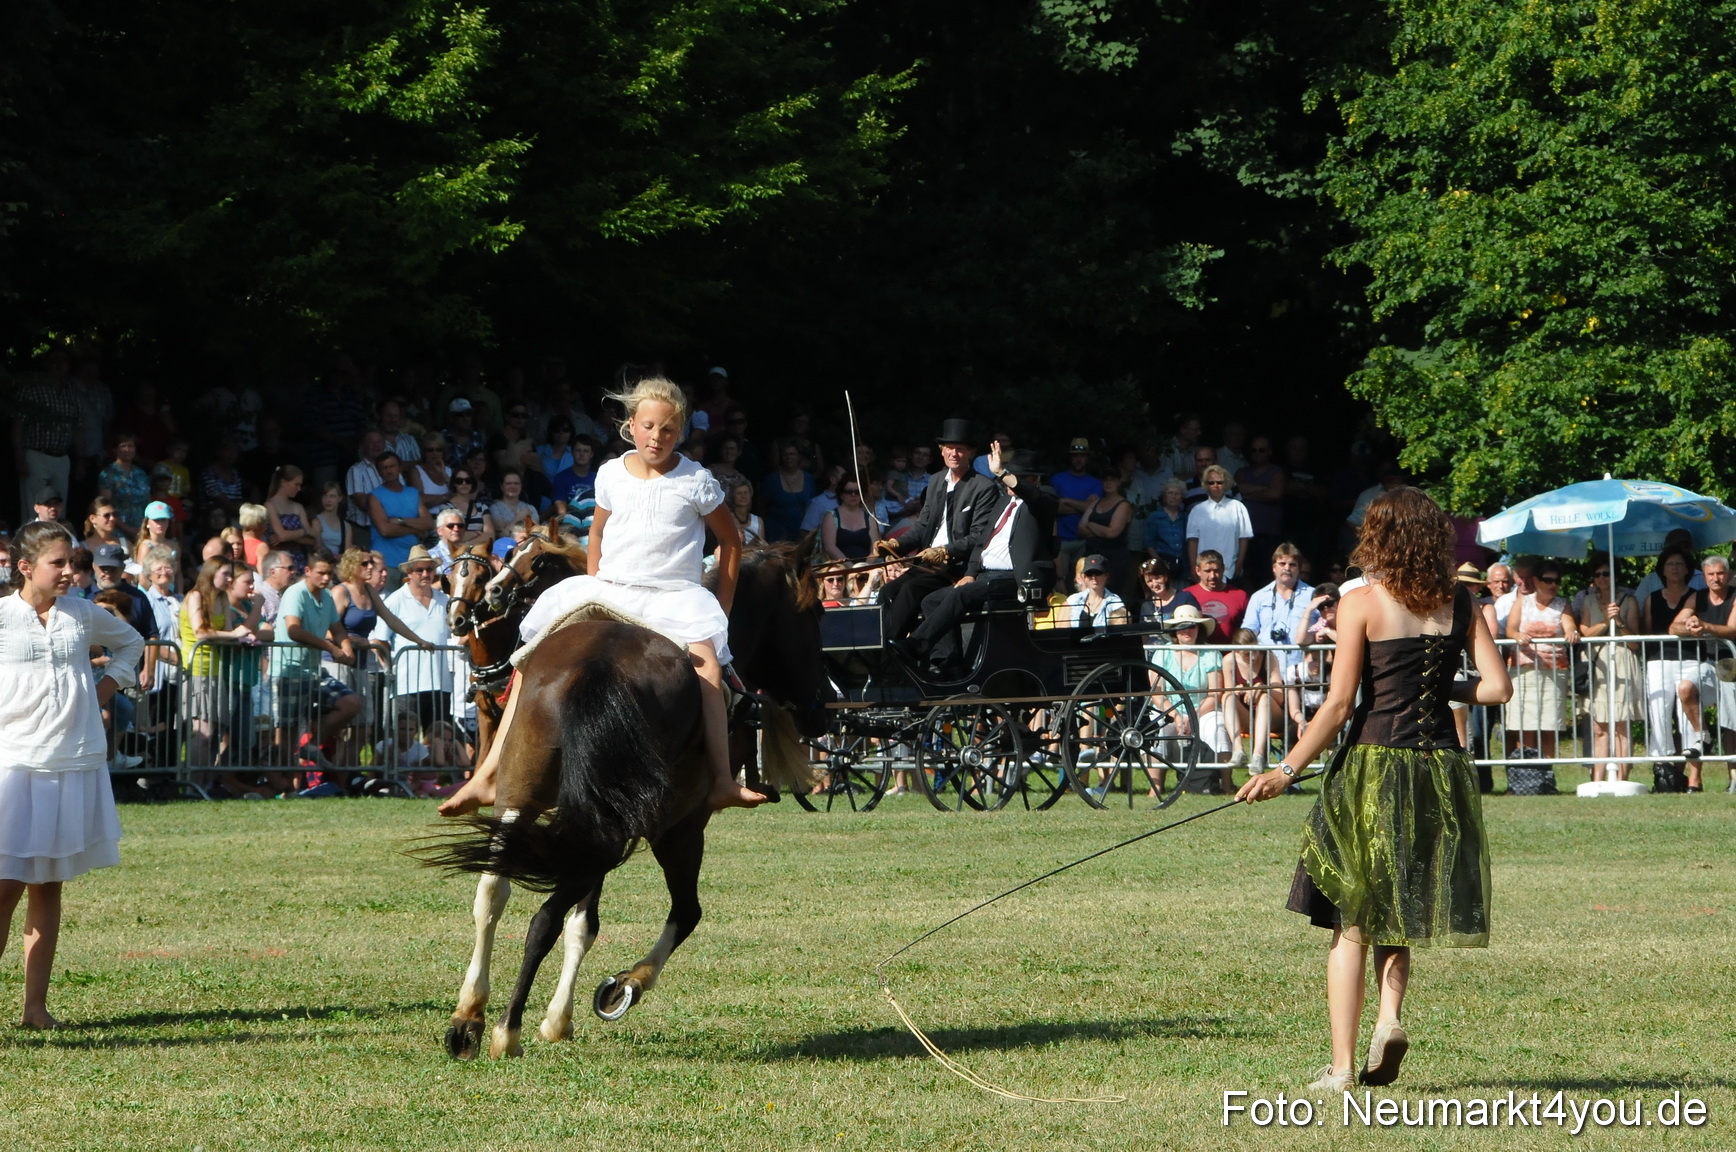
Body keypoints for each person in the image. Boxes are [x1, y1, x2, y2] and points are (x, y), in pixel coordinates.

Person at [1239, 486, 1512, 1093]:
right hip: (1437, 767)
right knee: (1402, 905)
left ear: (1380, 536)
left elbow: (1337, 706)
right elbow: (1497, 689)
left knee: (1351, 914)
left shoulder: (1362, 601)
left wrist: (1283, 772)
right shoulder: (1460, 601)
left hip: (1374, 765)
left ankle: (1340, 1068)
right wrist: (1446, 690)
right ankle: (1388, 1018)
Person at [439, 376, 760, 817]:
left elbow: (731, 542)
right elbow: (596, 531)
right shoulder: (610, 473)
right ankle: (486, 776)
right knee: (532, 657)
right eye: (648, 426)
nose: (657, 437)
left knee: (706, 663)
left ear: (680, 431)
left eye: (668, 429)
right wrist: (595, 585)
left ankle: (723, 780)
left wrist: (718, 608)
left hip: (674, 594)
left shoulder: (696, 480)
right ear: (631, 425)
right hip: (612, 587)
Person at [0, 521, 144, 1029]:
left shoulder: (82, 614)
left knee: (49, 886)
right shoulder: (1, 618)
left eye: (71, 563)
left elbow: (132, 644)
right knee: (4, 885)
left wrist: (103, 691)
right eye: (56, 563)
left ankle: (35, 1008)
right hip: (13, 763)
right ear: (24, 567)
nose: (68, 572)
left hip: (71, 760)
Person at [900, 443, 1041, 672]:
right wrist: (969, 574)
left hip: (1014, 577)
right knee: (932, 600)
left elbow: (1033, 496)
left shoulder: (1041, 503)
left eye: (1014, 478)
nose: (1005, 484)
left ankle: (916, 645)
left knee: (962, 593)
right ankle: (949, 663)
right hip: (985, 575)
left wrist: (1002, 473)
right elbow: (981, 543)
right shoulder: (1003, 502)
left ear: (1033, 480)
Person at [875, 420, 999, 642]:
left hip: (954, 567)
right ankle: (876, 642)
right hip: (926, 564)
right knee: (886, 592)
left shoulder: (983, 488)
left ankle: (893, 650)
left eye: (960, 449)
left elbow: (979, 536)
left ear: (970, 453)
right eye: (950, 448)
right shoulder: (935, 482)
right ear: (941, 451)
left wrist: (944, 551)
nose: (954, 453)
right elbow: (923, 526)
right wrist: (895, 544)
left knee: (911, 590)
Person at [1642, 546, 1714, 786]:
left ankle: (1693, 768)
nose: (1674, 568)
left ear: (1687, 569)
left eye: (1679, 564)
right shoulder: (1652, 599)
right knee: (1659, 712)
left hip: (1690, 659)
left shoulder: (1697, 596)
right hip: (1658, 660)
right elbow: (1648, 630)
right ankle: (1662, 770)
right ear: (1662, 569)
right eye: (1670, 564)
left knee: (1687, 715)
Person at [1574, 551, 1642, 783]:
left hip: (1622, 661)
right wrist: (1605, 621)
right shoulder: (1588, 601)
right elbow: (1584, 632)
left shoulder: (1629, 600)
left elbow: (1634, 642)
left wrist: (1619, 621)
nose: (1603, 578)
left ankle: (1623, 778)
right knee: (1598, 726)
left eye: (1607, 573)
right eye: (1598, 574)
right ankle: (1597, 779)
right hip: (1597, 664)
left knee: (1621, 725)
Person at [376, 546, 451, 736]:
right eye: (420, 570)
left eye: (430, 569)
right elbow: (379, 640)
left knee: (438, 739)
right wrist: (390, 669)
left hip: (441, 683)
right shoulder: (395, 600)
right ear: (409, 572)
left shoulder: (446, 600)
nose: (426, 574)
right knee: (401, 740)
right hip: (406, 684)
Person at [1051, 437, 1103, 593]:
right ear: (1070, 457)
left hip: (1084, 540)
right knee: (1060, 584)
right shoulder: (1057, 479)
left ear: (1088, 457)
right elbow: (1055, 508)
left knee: (1084, 585)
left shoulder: (1095, 482)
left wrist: (1067, 501)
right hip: (1062, 540)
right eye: (1075, 455)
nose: (1078, 459)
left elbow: (1094, 509)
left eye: (1082, 455)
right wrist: (1084, 505)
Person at [1186, 465, 1253, 582]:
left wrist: (1240, 563)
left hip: (1230, 569)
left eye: (1219, 482)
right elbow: (1192, 541)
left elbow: (1243, 538)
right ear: (1206, 485)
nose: (1215, 486)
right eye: (1211, 483)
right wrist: (1193, 567)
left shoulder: (1238, 507)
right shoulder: (1197, 510)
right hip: (1205, 572)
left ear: (1226, 484)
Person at [96, 432, 151, 539]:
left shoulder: (141, 473)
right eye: (123, 446)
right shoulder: (108, 474)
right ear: (115, 450)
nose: (127, 449)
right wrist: (129, 530)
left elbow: (148, 501)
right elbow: (104, 507)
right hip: (117, 532)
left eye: (130, 446)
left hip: (142, 531)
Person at [263, 465, 319, 568]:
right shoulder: (269, 505)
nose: (299, 489)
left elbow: (313, 539)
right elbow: (282, 535)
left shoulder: (298, 507)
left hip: (301, 559)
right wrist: (304, 531)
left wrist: (290, 537)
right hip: (279, 561)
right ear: (284, 482)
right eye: (296, 484)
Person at [1185, 549, 1249, 635]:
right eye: (1207, 571)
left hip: (1231, 647)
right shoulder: (1186, 595)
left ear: (1223, 569)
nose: (1212, 576)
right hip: (1198, 648)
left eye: (1216, 570)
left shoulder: (1240, 595)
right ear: (1198, 571)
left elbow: (1248, 629)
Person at [820, 477, 880, 561]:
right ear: (841, 494)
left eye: (857, 492)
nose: (853, 495)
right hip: (839, 568)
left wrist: (866, 567)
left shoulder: (870, 517)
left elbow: (875, 548)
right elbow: (830, 548)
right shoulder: (831, 516)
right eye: (848, 492)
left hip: (867, 568)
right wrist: (851, 569)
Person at [1063, 554, 1127, 628]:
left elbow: (1120, 632)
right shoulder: (1073, 600)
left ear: (1106, 575)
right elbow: (1063, 633)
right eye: (1089, 573)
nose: (1093, 577)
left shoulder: (1115, 602)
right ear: (1084, 577)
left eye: (1098, 572)